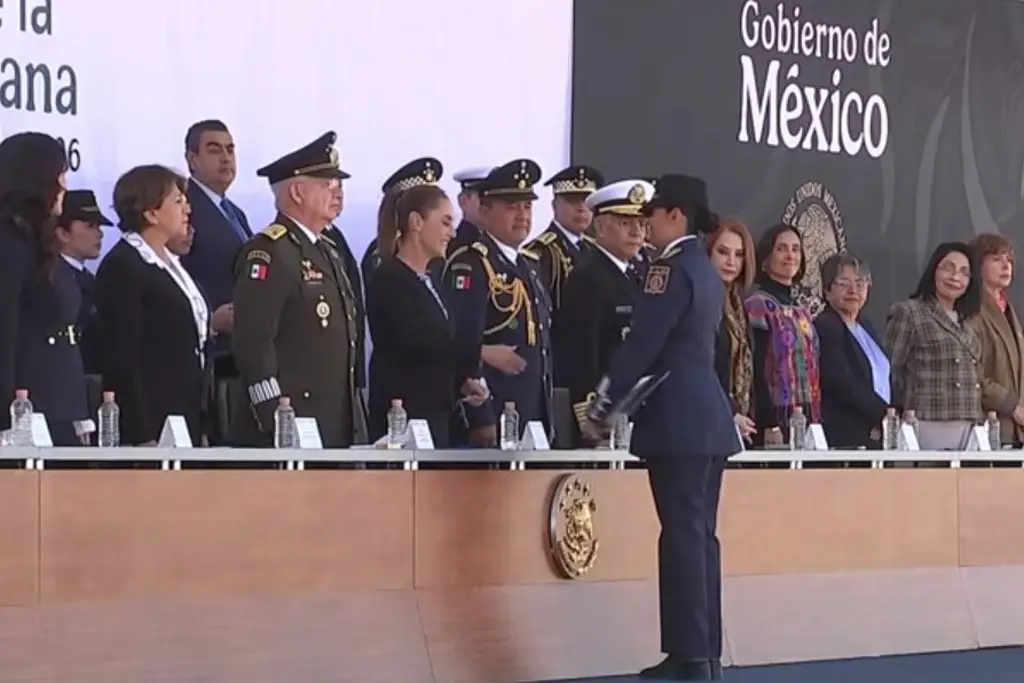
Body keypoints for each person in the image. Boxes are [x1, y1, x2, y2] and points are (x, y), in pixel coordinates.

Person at [585, 174, 739, 682]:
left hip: (677, 419)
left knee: (682, 536)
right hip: (706, 418)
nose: (645, 223)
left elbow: (644, 343)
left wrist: (604, 401)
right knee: (700, 538)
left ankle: (689, 657)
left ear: (674, 216)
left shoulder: (668, 271)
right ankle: (706, 653)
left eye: (651, 213)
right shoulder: (705, 268)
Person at [232, 131, 367, 448]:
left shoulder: (327, 250)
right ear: (296, 192)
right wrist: (273, 416)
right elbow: (253, 341)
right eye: (327, 184)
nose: (338, 193)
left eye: (339, 185)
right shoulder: (271, 251)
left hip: (330, 422)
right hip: (287, 426)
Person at [366, 158, 490, 445]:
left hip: (438, 416)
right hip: (403, 421)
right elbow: (417, 342)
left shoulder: (434, 279)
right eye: (445, 222)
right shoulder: (389, 279)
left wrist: (463, 380)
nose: (453, 233)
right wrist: (480, 351)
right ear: (416, 222)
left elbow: (443, 343)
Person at [95, 165, 209, 446]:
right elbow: (123, 356)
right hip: (153, 422)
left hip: (186, 415)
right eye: (178, 201)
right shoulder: (124, 266)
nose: (188, 210)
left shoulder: (171, 262)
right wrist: (141, 432)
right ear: (150, 212)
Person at [444, 159, 553, 439]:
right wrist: (481, 419)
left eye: (527, 207)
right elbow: (464, 342)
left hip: (531, 411)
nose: (522, 216)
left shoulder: (530, 264)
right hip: (495, 415)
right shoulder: (473, 263)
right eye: (511, 207)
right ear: (484, 210)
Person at [0, 132, 92, 446]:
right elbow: (6, 332)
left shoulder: (36, 241)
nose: (65, 186)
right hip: (24, 417)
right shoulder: (10, 241)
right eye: (60, 175)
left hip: (55, 404)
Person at [552, 179, 652, 447]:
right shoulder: (589, 277)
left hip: (636, 412)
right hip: (603, 420)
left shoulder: (640, 274)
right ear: (600, 227)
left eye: (641, 224)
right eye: (625, 223)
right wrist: (589, 416)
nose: (636, 232)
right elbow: (578, 355)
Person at [885, 242, 983, 450]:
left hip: (969, 425)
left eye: (964, 272)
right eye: (948, 267)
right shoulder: (910, 312)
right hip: (927, 423)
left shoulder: (967, 322)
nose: (955, 277)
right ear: (933, 271)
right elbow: (890, 370)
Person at [744, 224, 820, 447]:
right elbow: (755, 369)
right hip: (775, 416)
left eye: (796, 249)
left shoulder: (802, 309)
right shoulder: (757, 305)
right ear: (766, 259)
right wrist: (769, 423)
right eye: (782, 249)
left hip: (807, 414)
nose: (790, 256)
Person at [814, 254, 889, 449]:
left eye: (860, 283)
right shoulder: (826, 325)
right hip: (847, 434)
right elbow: (842, 383)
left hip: (879, 430)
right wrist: (884, 413)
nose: (853, 290)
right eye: (843, 284)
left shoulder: (865, 325)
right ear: (827, 291)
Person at [705, 217, 757, 445]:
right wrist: (730, 412)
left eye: (738, 254)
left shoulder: (737, 304)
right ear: (708, 253)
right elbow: (704, 367)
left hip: (738, 424)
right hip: (708, 419)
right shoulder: (704, 301)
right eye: (723, 252)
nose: (731, 262)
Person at [969, 233, 1024, 447]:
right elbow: (973, 375)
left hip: (1014, 430)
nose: (1006, 266)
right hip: (989, 428)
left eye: (1009, 260)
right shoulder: (972, 310)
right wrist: (1012, 406)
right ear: (977, 265)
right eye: (996, 259)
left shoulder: (1008, 309)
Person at [525, 165, 603, 312]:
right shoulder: (541, 252)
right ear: (555, 205)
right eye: (572, 200)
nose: (581, 208)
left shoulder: (594, 248)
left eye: (587, 201)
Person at [55, 189, 110, 376]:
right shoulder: (52, 279)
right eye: (90, 226)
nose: (100, 234)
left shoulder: (88, 279)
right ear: (63, 233)